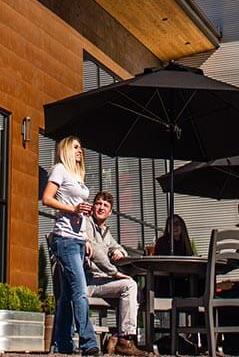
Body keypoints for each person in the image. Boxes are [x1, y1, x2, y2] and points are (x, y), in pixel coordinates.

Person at [43, 136, 100, 356]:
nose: (80, 150)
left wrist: (85, 237)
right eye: (76, 147)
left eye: (81, 147)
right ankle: (88, 343)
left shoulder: (77, 177)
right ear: (66, 149)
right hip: (64, 239)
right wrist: (72, 209)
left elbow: (81, 212)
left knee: (67, 295)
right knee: (80, 290)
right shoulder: (60, 169)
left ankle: (62, 344)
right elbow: (46, 199)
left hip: (76, 241)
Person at [84, 191, 145, 356]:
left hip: (102, 281)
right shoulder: (86, 224)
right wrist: (115, 273)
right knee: (130, 285)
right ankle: (125, 340)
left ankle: (116, 337)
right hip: (89, 281)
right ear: (93, 206)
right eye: (98, 203)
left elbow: (117, 246)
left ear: (110, 212)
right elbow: (95, 252)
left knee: (138, 294)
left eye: (105, 205)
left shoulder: (105, 232)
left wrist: (118, 251)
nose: (101, 207)